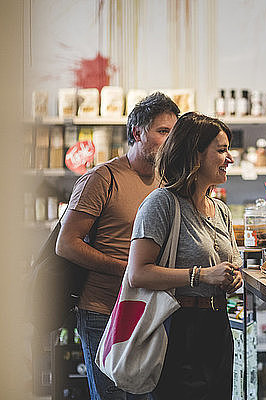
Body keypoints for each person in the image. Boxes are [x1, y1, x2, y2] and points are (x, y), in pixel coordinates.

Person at [56, 92, 180, 399]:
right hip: (104, 310)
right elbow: (67, 244)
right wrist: (128, 270)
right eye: (162, 131)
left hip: (151, 311)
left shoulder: (167, 182)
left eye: (173, 134)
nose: (169, 140)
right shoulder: (102, 178)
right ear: (137, 132)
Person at [127, 112, 243, 399]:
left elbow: (230, 265)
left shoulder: (220, 210)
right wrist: (201, 275)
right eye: (222, 150)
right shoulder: (161, 203)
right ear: (195, 154)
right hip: (178, 328)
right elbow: (138, 272)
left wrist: (233, 278)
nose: (230, 159)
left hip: (218, 326)